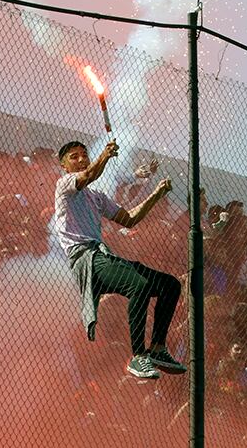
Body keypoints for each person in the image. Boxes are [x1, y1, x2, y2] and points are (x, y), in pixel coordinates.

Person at [54, 138, 184, 380]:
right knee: (139, 285)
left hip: (103, 256)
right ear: (64, 165)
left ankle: (157, 349)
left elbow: (129, 218)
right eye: (74, 156)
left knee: (170, 285)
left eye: (84, 154)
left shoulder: (97, 197)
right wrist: (105, 155)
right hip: (87, 259)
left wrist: (156, 194)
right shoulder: (65, 185)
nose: (82, 159)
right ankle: (138, 356)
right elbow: (87, 176)